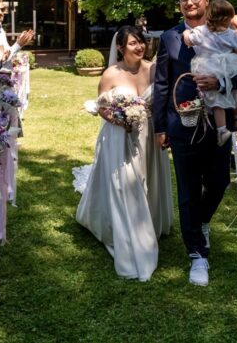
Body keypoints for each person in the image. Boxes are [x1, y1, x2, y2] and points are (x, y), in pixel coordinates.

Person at [152, 0, 237, 287]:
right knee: (187, 189)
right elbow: (161, 83)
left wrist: (221, 82)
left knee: (220, 181)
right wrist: (160, 126)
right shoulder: (171, 37)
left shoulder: (229, 34)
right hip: (182, 123)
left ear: (207, 0)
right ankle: (196, 254)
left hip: (218, 122)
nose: (190, 3)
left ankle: (201, 222)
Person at [76, 26, 172, 281]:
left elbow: (162, 101)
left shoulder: (153, 69)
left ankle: (150, 221)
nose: (139, 47)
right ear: (120, 48)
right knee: (125, 185)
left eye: (141, 42)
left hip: (149, 135)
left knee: (147, 178)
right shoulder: (110, 74)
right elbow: (101, 108)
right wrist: (121, 120)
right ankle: (131, 232)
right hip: (119, 138)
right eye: (133, 43)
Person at [182, 0, 237, 145]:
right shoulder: (233, 34)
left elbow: (189, 41)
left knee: (217, 102)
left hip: (209, 67)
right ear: (227, 18)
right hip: (228, 66)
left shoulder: (202, 31)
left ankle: (222, 129)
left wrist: (186, 33)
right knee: (233, 90)